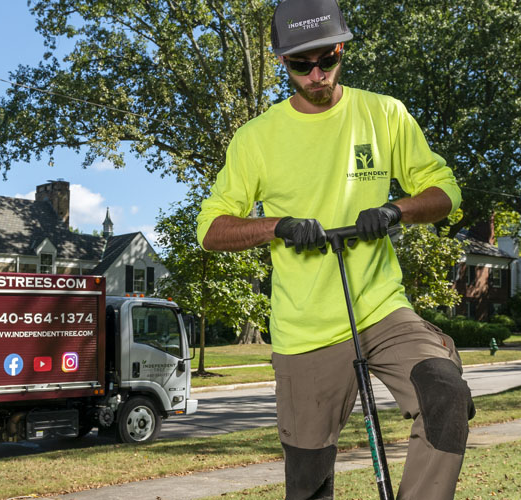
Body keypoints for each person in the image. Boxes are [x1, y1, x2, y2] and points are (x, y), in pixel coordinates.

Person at [196, 0, 475, 498]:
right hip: (305, 327)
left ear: (342, 48)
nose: (317, 75)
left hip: (381, 308)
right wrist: (276, 226)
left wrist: (396, 210)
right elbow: (211, 229)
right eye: (302, 65)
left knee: (445, 393)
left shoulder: (384, 114)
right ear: (283, 62)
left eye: (327, 59)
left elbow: (444, 191)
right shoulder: (255, 139)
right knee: (307, 482)